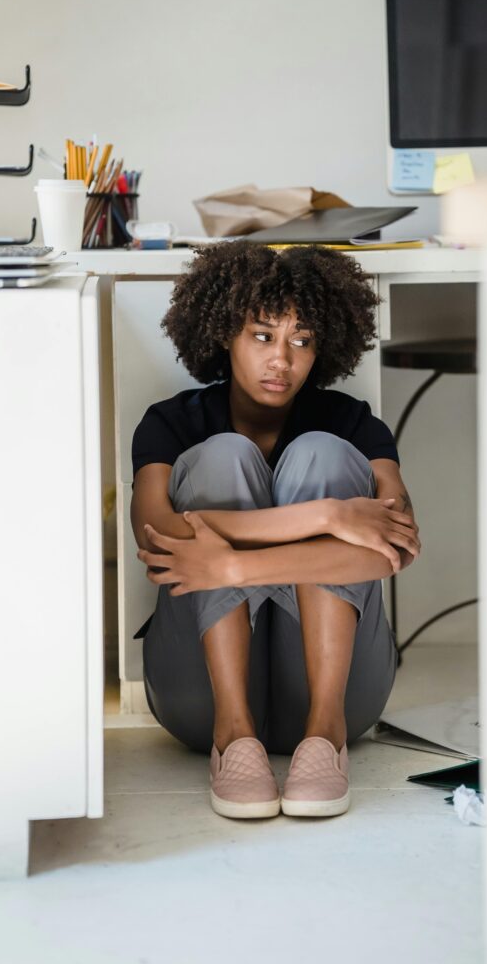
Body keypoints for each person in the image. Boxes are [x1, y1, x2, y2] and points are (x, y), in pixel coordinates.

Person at [130, 240, 420, 820]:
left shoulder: (353, 425)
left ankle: (325, 736)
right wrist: (329, 518)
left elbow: (394, 549)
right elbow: (159, 537)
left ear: (322, 348)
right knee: (222, 458)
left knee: (322, 454)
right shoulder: (172, 423)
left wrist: (235, 563)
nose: (281, 361)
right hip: (198, 699)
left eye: (301, 341)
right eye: (262, 336)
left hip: (344, 696)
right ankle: (232, 736)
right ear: (224, 335)